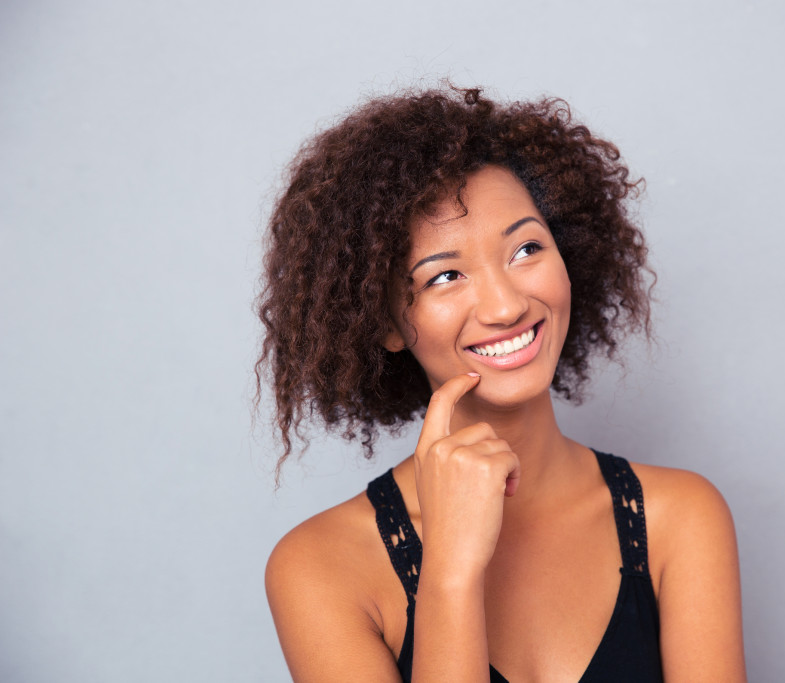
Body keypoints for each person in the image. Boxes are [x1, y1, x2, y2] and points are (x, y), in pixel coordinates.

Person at [257, 86, 746, 682]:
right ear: (383, 322)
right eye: (446, 276)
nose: (506, 305)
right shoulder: (319, 567)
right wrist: (450, 572)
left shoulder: (679, 518)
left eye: (526, 248)